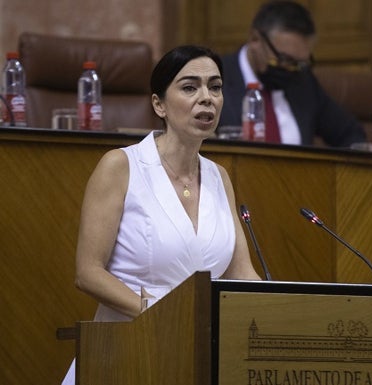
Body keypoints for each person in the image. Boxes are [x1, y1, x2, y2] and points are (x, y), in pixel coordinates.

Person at [62, 45, 261, 384]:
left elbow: (241, 273)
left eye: (214, 87)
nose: (207, 98)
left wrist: (282, 311)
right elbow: (88, 272)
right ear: (159, 105)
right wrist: (163, 316)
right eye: (189, 87)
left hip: (196, 355)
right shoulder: (122, 166)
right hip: (125, 351)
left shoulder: (219, 177)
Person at [218, 0, 367, 147]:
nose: (291, 69)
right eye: (284, 59)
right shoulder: (216, 79)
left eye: (299, 63)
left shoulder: (303, 81)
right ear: (255, 39)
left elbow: (351, 134)